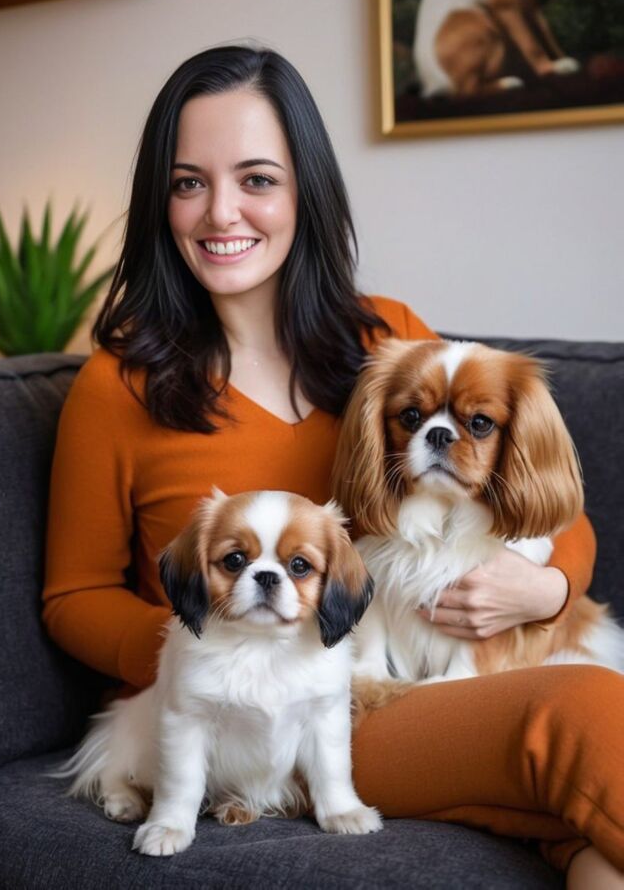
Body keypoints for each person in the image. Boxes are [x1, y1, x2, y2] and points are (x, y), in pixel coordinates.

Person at [43, 45, 623, 886]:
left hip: (415, 682)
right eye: (188, 182)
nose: (220, 211)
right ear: (159, 201)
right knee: (583, 709)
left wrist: (548, 589)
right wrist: (202, 649)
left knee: (596, 843)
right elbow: (73, 596)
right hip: (284, 723)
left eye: (256, 178)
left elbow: (546, 512)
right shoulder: (115, 385)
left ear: (304, 191)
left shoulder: (385, 339)